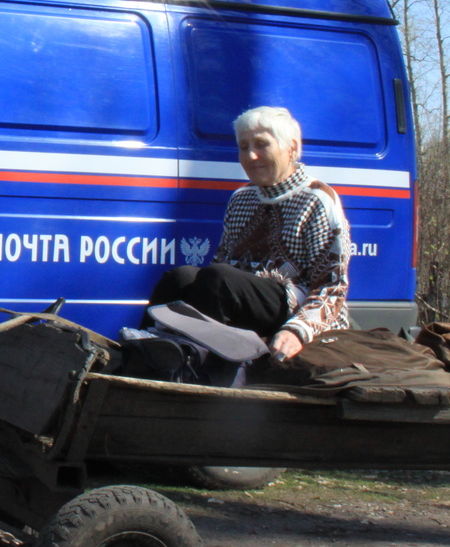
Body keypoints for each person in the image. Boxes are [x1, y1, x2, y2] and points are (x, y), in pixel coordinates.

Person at [148, 106, 351, 360]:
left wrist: (297, 331)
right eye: (244, 147)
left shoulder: (317, 199)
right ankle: (144, 352)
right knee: (181, 277)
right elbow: (220, 265)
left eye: (262, 145)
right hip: (238, 295)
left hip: (292, 304)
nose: (251, 156)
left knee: (219, 279)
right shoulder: (241, 199)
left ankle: (201, 366)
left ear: (292, 148)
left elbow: (332, 287)